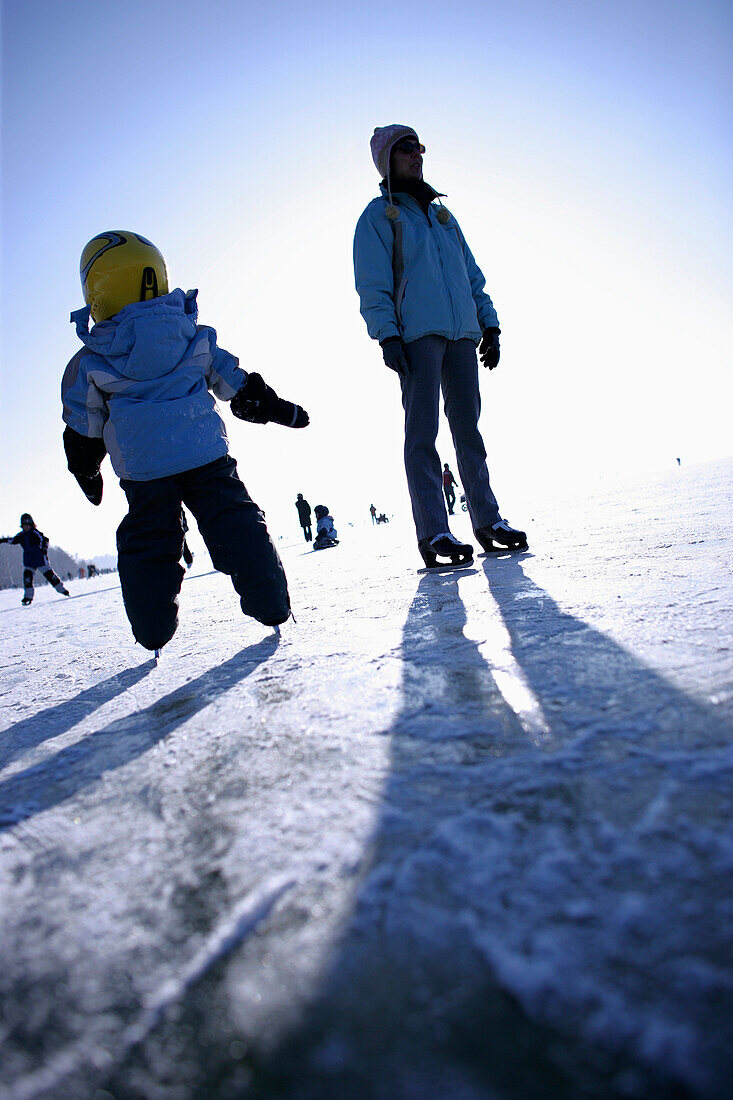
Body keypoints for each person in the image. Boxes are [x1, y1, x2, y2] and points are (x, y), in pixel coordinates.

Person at [62, 230, 309, 652]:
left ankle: (152, 629)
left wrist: (87, 473)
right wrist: (281, 410)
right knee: (236, 524)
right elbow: (241, 389)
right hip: (206, 456)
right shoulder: (194, 336)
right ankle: (271, 603)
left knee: (148, 546)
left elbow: (84, 430)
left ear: (96, 292)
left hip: (144, 473)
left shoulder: (91, 362)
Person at [353, 124, 528, 568]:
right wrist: (387, 334)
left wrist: (490, 325)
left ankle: (488, 521)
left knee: (469, 432)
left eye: (419, 147)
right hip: (416, 337)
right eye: (405, 148)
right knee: (423, 435)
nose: (416, 154)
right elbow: (372, 284)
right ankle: (434, 531)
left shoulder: (443, 218)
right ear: (386, 160)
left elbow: (472, 276)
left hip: (462, 336)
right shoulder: (379, 216)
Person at [0, 513, 70, 604]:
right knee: (27, 578)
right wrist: (2, 540)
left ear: (31, 525)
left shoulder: (35, 533)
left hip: (40, 559)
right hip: (29, 561)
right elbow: (12, 540)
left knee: (50, 576)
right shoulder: (21, 536)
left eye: (27, 525)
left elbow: (45, 540)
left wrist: (43, 550)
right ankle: (28, 597)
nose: (26, 528)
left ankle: (63, 590)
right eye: (24, 526)